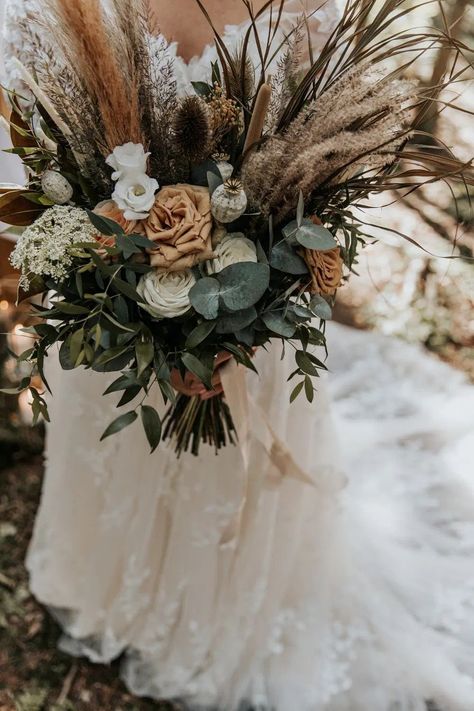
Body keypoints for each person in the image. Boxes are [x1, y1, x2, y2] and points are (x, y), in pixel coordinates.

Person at [3, 1, 474, 709]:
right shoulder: (55, 9)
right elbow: (33, 168)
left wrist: (245, 325)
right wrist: (106, 284)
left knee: (225, 474)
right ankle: (112, 583)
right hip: (110, 317)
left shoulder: (305, 9)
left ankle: (219, 605)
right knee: (116, 437)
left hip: (250, 331)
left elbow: (324, 190)